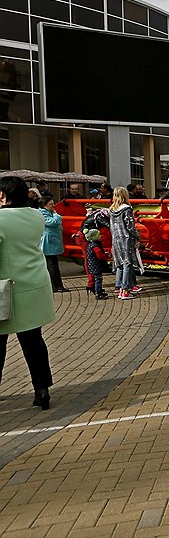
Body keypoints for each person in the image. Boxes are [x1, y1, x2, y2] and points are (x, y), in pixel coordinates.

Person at [0, 175, 56, 410]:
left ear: (4, 195)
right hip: (33, 284)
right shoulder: (35, 216)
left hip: (6, 290)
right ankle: (42, 389)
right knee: (33, 342)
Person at [109, 187, 143, 300]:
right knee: (127, 263)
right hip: (126, 239)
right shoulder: (127, 209)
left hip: (115, 239)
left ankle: (118, 286)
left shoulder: (112, 210)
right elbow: (130, 226)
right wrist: (138, 236)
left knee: (119, 263)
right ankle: (125, 290)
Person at [40, 197, 68, 293]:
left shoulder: (48, 212)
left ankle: (55, 286)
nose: (53, 206)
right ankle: (57, 286)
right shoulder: (43, 213)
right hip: (48, 242)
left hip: (51, 241)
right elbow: (52, 222)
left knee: (52, 264)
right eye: (51, 204)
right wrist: (57, 215)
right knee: (52, 265)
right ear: (44, 205)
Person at [83, 228, 111, 300]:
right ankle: (98, 293)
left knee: (97, 278)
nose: (101, 236)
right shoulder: (95, 246)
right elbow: (100, 255)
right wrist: (107, 255)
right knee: (98, 279)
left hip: (92, 265)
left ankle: (97, 290)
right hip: (96, 265)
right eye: (99, 235)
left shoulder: (90, 245)